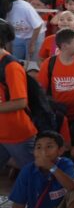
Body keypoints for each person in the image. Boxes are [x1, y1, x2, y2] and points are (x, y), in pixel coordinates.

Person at [0, 19, 36, 171]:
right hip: (3, 132)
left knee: (33, 174)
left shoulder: (11, 66)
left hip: (16, 134)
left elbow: (20, 102)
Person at [0, 0, 44, 64]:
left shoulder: (23, 7)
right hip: (18, 36)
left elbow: (38, 26)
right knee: (16, 59)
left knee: (32, 62)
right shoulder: (3, 13)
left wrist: (32, 44)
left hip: (34, 34)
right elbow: (6, 32)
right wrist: (8, 52)